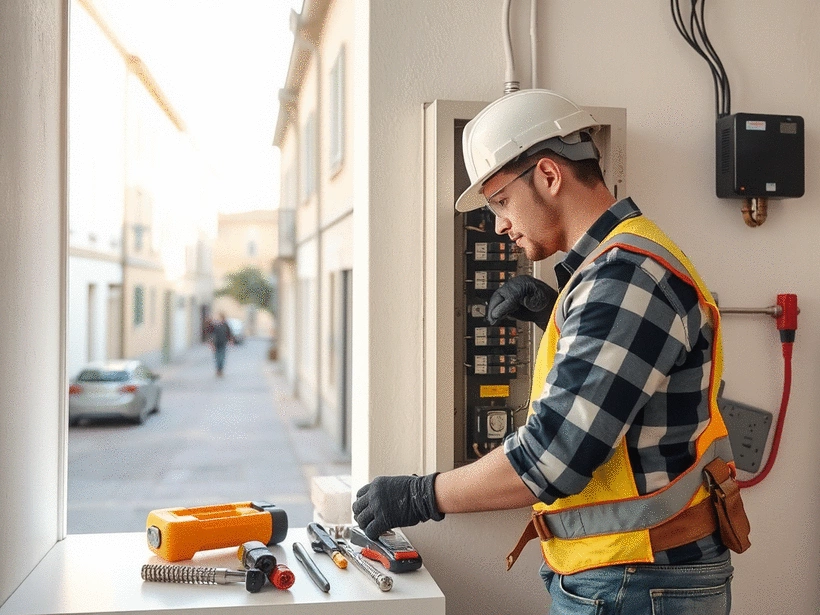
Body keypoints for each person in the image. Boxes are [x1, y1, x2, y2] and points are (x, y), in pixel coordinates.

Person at [352, 89, 750, 614]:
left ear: (548, 175)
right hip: (632, 575)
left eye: (500, 201)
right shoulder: (614, 267)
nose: (498, 225)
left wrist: (420, 496)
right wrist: (552, 316)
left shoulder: (624, 276)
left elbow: (551, 458)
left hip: (638, 583)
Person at [207, 313, 234, 377]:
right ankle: (218, 370)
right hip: (216, 344)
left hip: (223, 343)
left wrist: (230, 340)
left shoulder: (225, 325)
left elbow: (229, 333)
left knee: (222, 357)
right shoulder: (214, 325)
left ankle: (220, 370)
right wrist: (211, 343)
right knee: (217, 357)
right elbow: (210, 334)